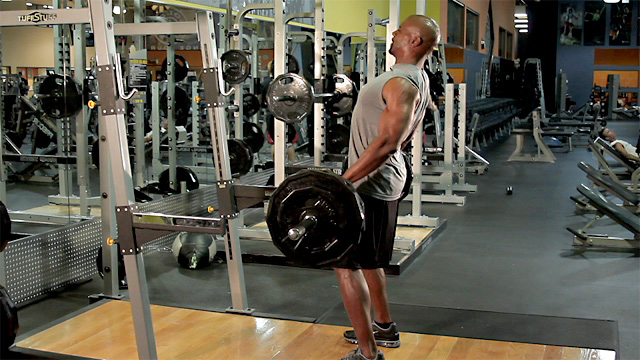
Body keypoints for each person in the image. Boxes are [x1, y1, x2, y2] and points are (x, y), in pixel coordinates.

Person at [335, 15, 440, 360]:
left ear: (414, 42)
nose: (393, 33)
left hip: (370, 182)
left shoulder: (402, 83)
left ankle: (368, 354)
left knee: (345, 264)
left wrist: (344, 183)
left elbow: (387, 143)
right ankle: (383, 326)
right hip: (381, 179)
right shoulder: (418, 78)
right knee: (369, 261)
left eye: (401, 31)